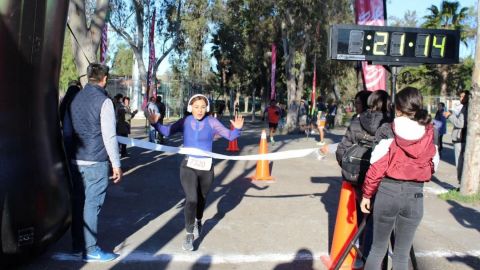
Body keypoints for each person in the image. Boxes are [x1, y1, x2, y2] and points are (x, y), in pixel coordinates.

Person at [147, 94, 244, 251]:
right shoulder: (185, 121)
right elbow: (166, 131)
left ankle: (199, 220)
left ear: (207, 108)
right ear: (190, 107)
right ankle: (189, 234)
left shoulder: (212, 121)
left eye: (203, 107)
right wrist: (156, 124)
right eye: (196, 107)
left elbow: (230, 136)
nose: (200, 110)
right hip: (188, 166)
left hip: (206, 168)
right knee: (191, 199)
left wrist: (238, 129)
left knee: (201, 198)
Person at [360, 87, 438, 270]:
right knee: (402, 254)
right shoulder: (428, 132)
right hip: (415, 196)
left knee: (377, 249)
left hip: (388, 192)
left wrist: (366, 194)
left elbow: (376, 166)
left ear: (398, 107)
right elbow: (434, 163)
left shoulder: (389, 129)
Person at [65, 63, 123, 262]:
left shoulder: (75, 98)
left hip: (76, 159)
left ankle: (77, 245)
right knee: (91, 204)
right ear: (104, 78)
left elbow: (68, 131)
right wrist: (116, 164)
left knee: (78, 202)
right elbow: (109, 136)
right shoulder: (104, 101)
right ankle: (90, 249)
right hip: (95, 161)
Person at [444, 90, 469, 185]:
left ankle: (461, 184)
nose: (460, 98)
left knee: (460, 163)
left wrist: (449, 116)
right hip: (461, 138)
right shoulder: (463, 107)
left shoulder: (466, 108)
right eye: (460, 96)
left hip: (461, 139)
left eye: (463, 96)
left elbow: (460, 123)